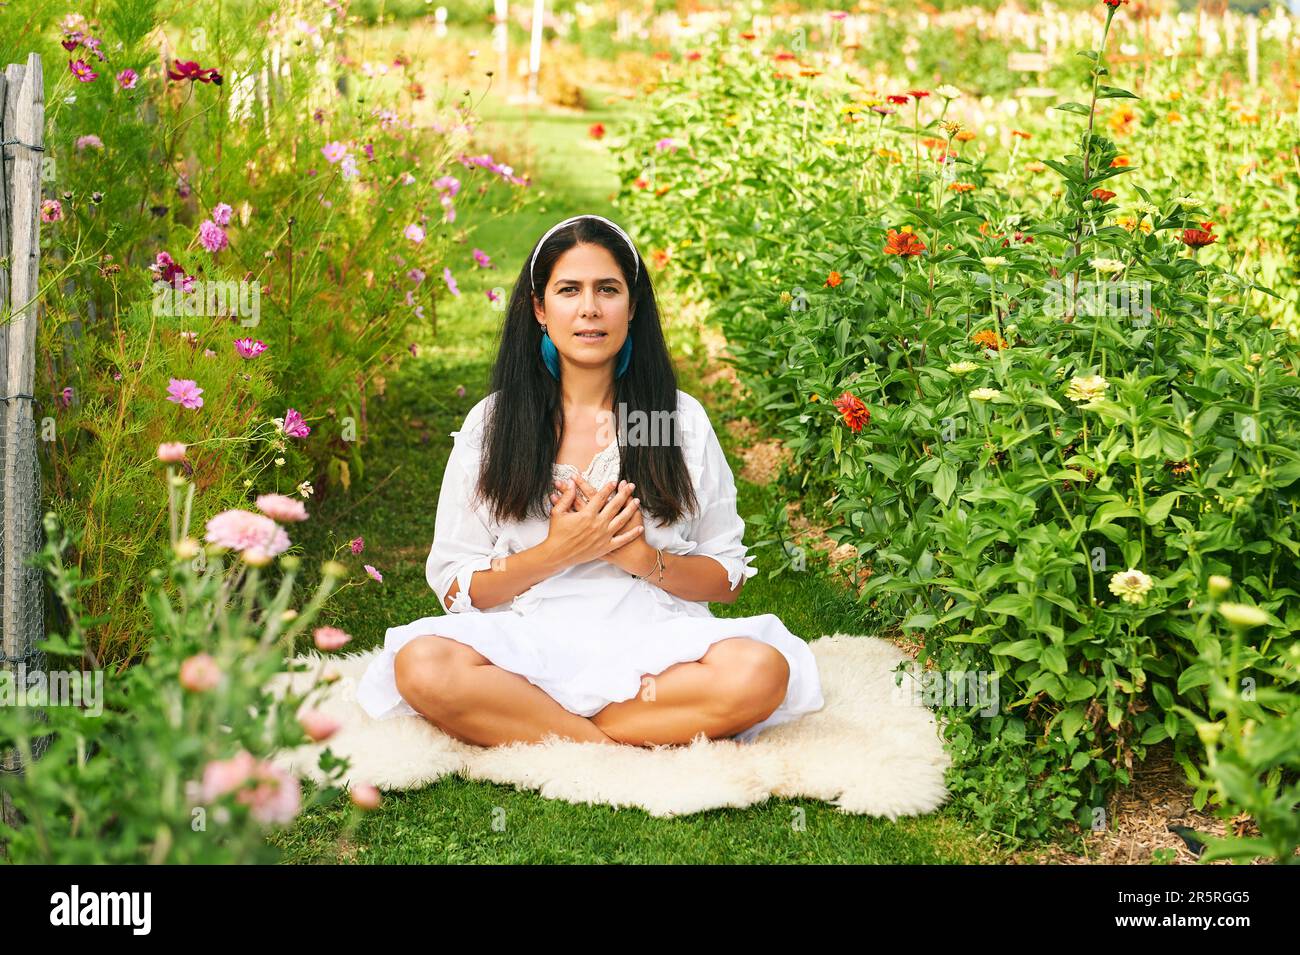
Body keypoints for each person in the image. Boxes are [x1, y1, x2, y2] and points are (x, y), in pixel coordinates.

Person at [355, 214, 825, 747]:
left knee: (759, 672)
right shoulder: (492, 423)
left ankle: (545, 728)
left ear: (633, 305)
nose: (589, 309)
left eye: (608, 289)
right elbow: (456, 586)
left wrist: (642, 560)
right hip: (528, 648)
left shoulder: (680, 420)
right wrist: (559, 552)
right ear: (539, 307)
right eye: (568, 290)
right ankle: (609, 743)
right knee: (423, 665)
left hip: (656, 648)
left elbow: (728, 577)